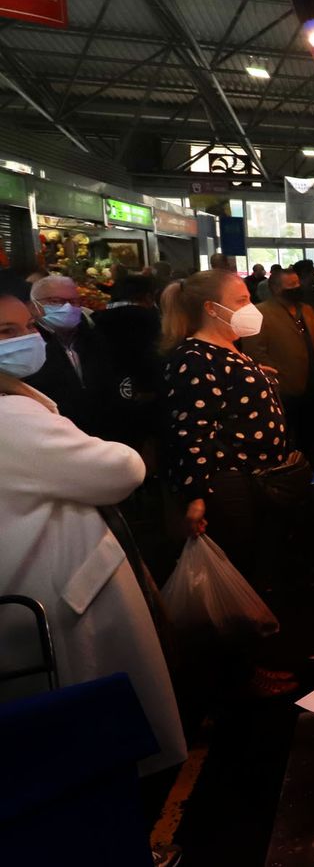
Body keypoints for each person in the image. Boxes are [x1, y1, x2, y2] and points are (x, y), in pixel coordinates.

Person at [0, 281, 186, 774]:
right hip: (57, 594)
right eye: (5, 331)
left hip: (33, 588)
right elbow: (118, 470)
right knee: (92, 735)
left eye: (23, 328)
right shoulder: (11, 416)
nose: (23, 339)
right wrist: (113, 445)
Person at [158, 270, 306, 695]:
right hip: (227, 485)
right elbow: (191, 429)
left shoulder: (226, 349)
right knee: (236, 579)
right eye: (240, 300)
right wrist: (197, 497)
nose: (250, 308)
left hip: (253, 481)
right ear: (211, 307)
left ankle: (255, 661)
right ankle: (241, 677)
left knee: (257, 570)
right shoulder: (193, 357)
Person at [240, 269, 314, 462]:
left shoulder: (306, 309)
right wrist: (278, 375)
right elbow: (255, 352)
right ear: (275, 288)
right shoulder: (259, 312)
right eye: (290, 287)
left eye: (297, 285)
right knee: (289, 437)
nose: (296, 289)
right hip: (285, 388)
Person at [27, 274, 112, 439]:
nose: (67, 307)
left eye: (73, 302)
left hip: (99, 438)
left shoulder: (95, 338)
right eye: (54, 301)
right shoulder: (29, 345)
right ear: (33, 306)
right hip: (50, 438)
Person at [94, 271, 165, 464]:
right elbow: (151, 359)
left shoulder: (96, 319)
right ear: (149, 296)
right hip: (144, 395)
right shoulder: (150, 321)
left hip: (106, 396)